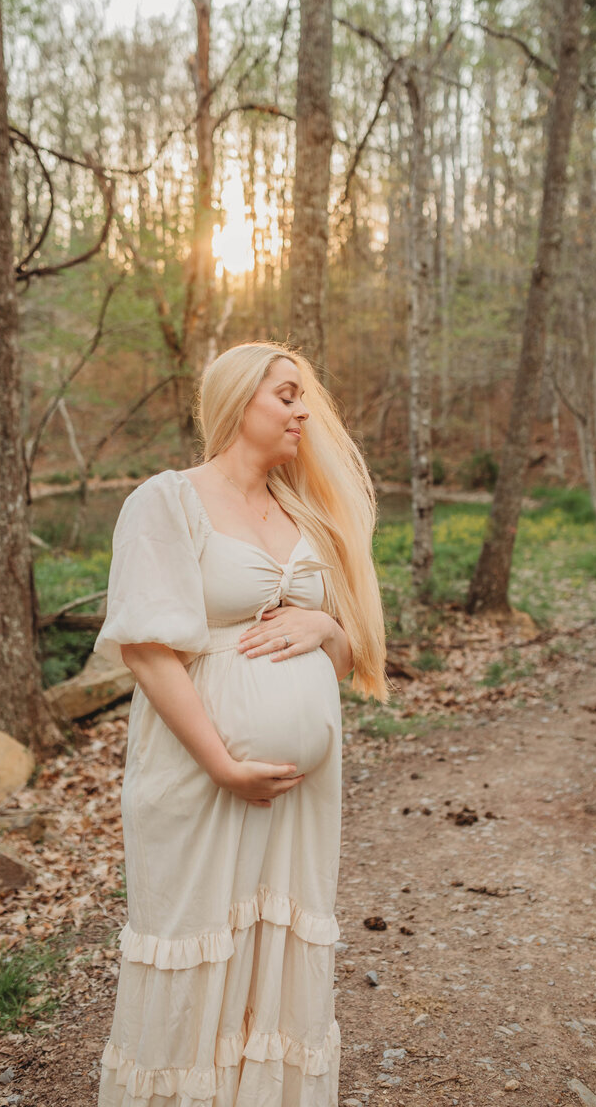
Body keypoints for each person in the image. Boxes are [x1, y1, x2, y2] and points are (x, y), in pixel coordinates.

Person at [94, 341, 387, 1107]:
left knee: (272, 961)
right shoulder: (166, 501)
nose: (303, 411)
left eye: (304, 397)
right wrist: (224, 763)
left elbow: (355, 650)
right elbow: (149, 652)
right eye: (287, 394)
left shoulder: (304, 511)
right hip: (200, 779)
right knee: (198, 953)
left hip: (301, 797)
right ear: (237, 401)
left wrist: (323, 629)